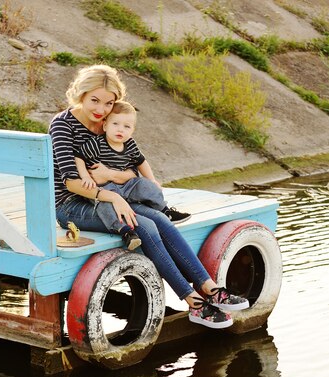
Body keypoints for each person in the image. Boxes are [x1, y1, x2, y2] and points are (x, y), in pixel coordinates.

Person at [49, 64, 249, 329]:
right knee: (146, 226)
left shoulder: (107, 123)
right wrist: (115, 197)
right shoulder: (63, 125)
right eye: (94, 100)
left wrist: (117, 180)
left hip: (112, 195)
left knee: (160, 219)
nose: (101, 109)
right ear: (81, 94)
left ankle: (210, 289)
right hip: (74, 206)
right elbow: (72, 183)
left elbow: (129, 167)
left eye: (109, 103)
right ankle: (193, 303)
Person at [74, 100, 191, 251]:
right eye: (115, 124)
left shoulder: (130, 144)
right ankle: (125, 232)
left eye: (126, 126)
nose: (120, 130)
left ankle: (164, 210)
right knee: (105, 206)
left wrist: (152, 180)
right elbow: (79, 157)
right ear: (105, 125)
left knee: (146, 186)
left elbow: (142, 162)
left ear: (132, 130)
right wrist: (85, 177)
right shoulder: (97, 144)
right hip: (105, 188)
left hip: (126, 185)